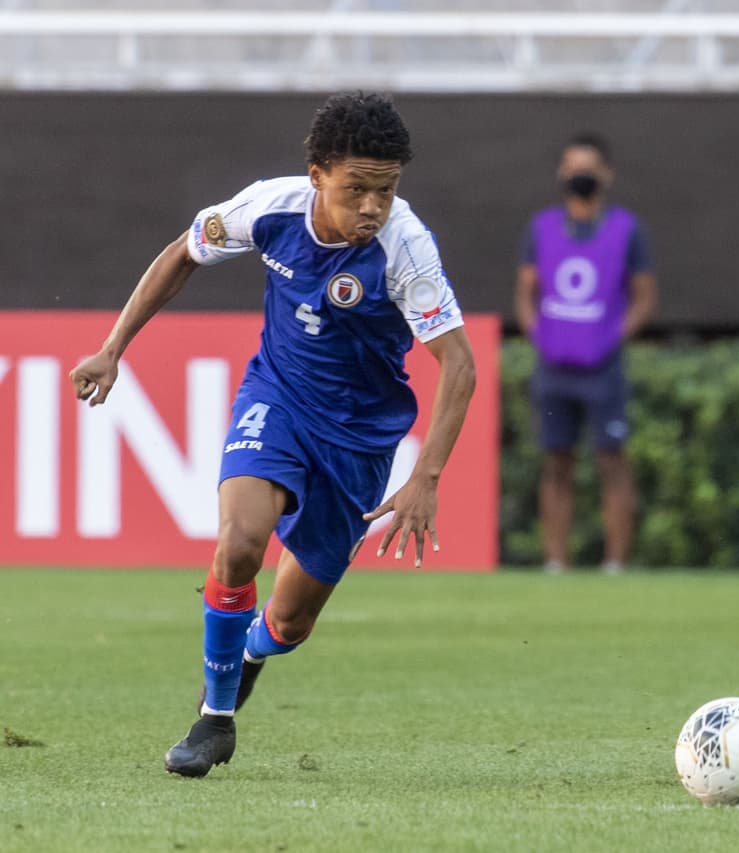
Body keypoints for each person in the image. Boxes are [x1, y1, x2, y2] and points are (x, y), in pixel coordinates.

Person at [69, 92, 477, 778]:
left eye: (387, 189)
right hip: (279, 398)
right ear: (318, 174)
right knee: (238, 545)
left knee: (289, 624)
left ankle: (251, 653)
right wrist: (114, 346)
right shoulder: (272, 207)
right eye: (357, 189)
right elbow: (183, 252)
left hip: (360, 438)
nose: (373, 206)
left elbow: (459, 364)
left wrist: (424, 476)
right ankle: (215, 719)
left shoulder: (406, 248)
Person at [514, 132, 658, 574]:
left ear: (606, 174)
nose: (580, 175)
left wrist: (612, 337)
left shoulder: (626, 229)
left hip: (603, 368)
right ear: (561, 172)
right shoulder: (540, 228)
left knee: (612, 462)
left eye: (589, 167)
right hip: (554, 367)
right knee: (557, 462)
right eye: (572, 166)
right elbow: (525, 291)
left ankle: (614, 563)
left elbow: (645, 294)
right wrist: (541, 335)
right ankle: (555, 561)